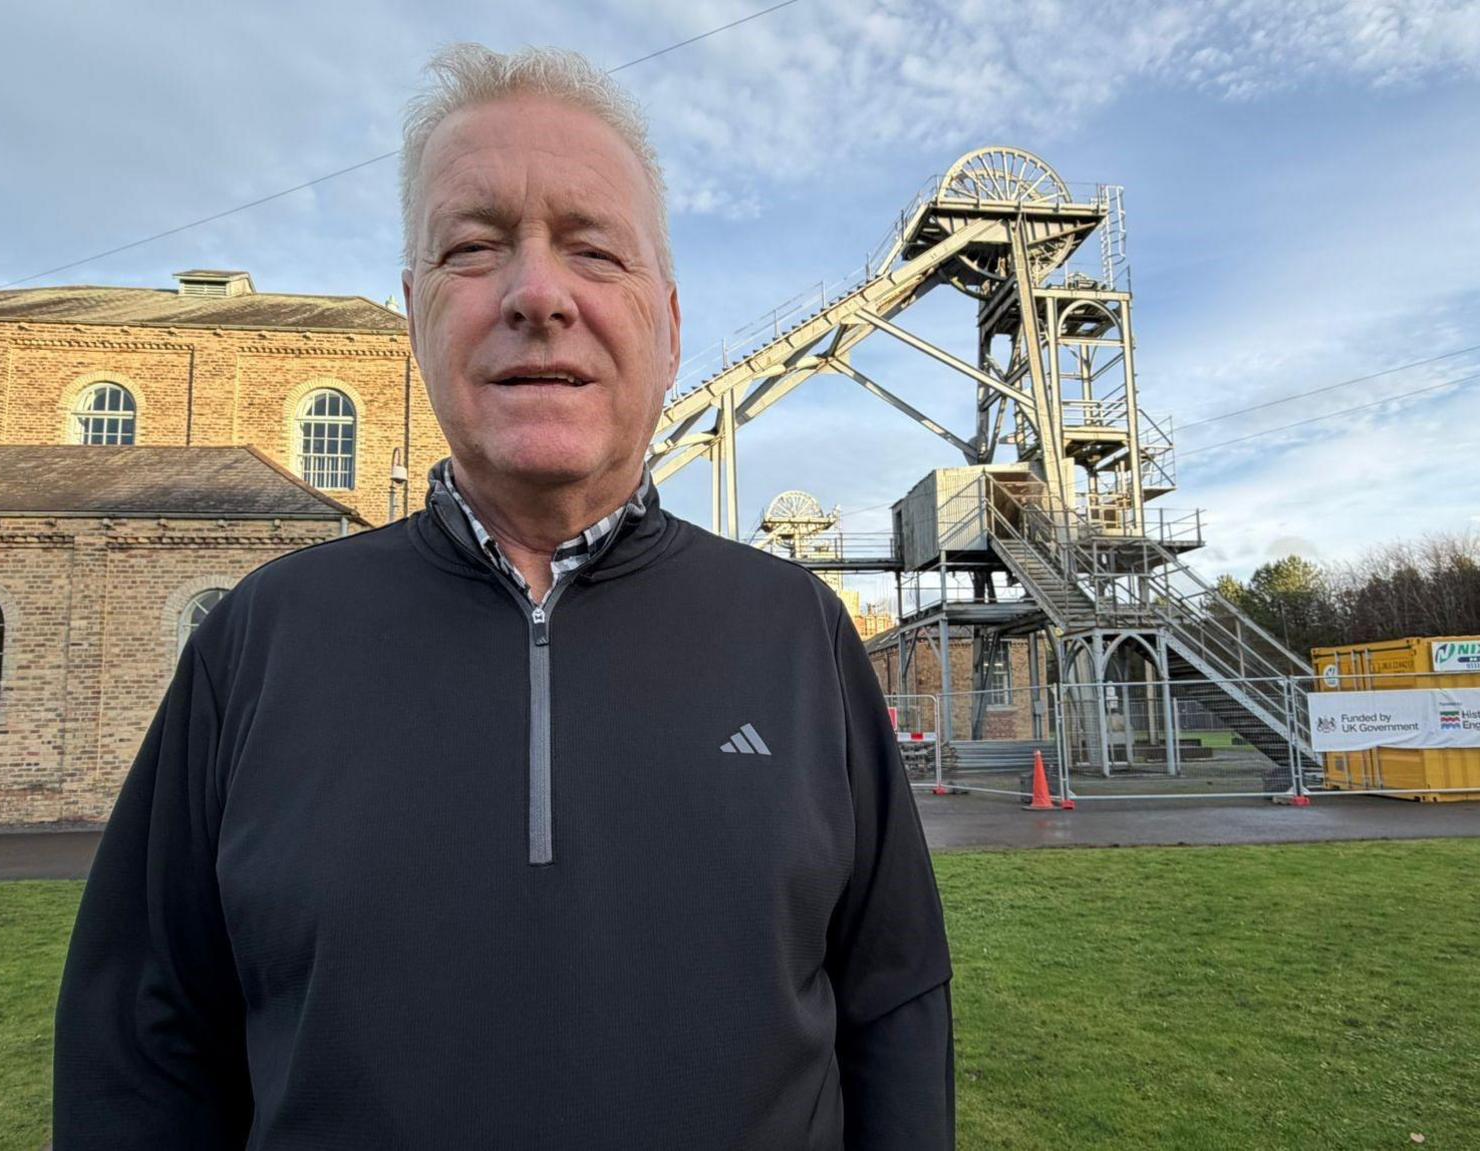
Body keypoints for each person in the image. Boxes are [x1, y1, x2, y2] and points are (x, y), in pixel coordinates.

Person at [54, 43, 952, 1149]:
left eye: (592, 248)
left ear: (667, 323)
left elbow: (895, 1006)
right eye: (474, 247)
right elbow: (142, 1047)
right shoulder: (259, 639)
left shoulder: (798, 631)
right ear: (416, 312)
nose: (536, 293)